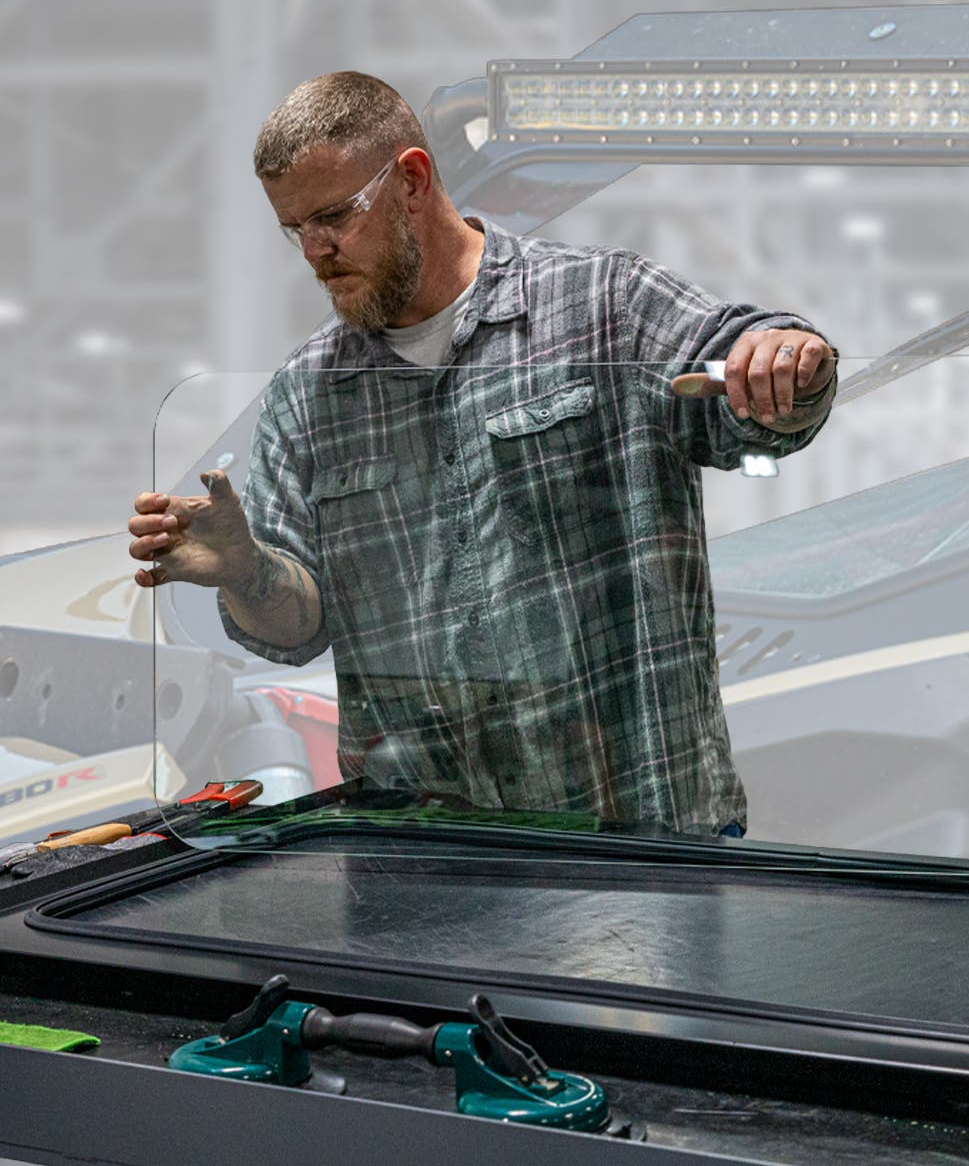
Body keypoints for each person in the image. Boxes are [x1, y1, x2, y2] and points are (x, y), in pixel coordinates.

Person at [126, 72, 836, 836]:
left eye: (333, 216)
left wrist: (785, 361)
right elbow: (298, 627)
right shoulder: (309, 393)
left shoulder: (603, 307)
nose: (315, 250)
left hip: (638, 841)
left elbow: (745, 386)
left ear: (412, 181)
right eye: (293, 227)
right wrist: (245, 570)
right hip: (428, 855)